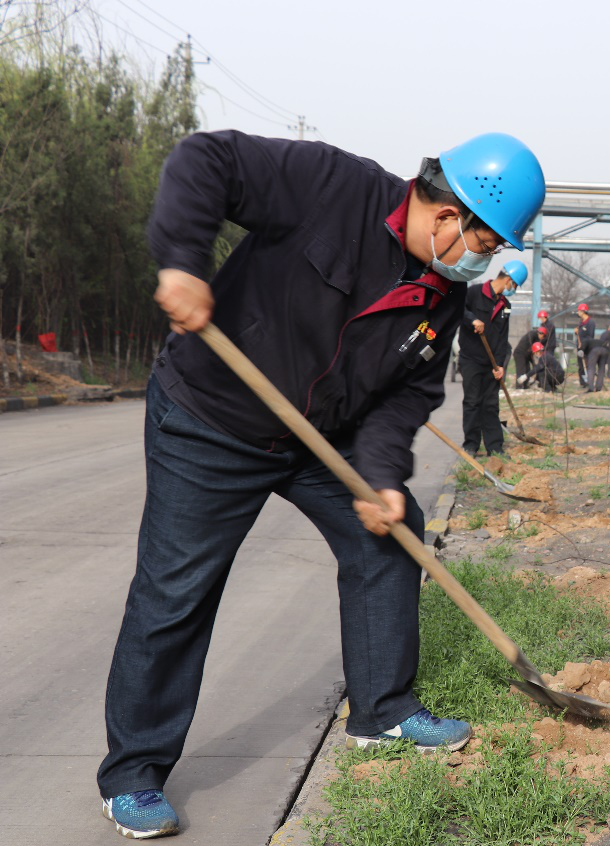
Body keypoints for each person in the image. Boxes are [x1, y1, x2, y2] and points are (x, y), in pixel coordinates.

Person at [99, 129, 545, 839]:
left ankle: (383, 711)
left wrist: (379, 479)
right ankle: (133, 772)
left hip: (318, 439)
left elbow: (402, 402)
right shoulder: (331, 186)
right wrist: (183, 263)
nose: (484, 259)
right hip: (209, 418)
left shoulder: (442, 303)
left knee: (391, 540)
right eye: (488, 244)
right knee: (176, 589)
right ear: (451, 215)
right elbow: (204, 158)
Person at [458, 260, 524, 455]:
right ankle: (471, 445)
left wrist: (501, 365)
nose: (514, 289)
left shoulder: (506, 305)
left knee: (490, 404)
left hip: (492, 364)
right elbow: (459, 310)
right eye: (515, 285)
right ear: (509, 280)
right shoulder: (474, 292)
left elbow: (503, 339)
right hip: (470, 358)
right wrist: (473, 320)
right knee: (472, 402)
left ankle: (494, 447)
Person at [512, 323, 544, 389]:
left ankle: (525, 386)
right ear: (539, 333)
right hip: (519, 353)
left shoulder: (538, 340)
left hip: (527, 355)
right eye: (542, 335)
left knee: (528, 369)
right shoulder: (532, 334)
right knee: (521, 370)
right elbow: (530, 341)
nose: (542, 338)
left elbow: (532, 352)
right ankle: (519, 386)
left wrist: (534, 364)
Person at [575, 303, 595, 387]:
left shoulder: (590, 323)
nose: (578, 313)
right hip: (580, 347)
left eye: (579, 311)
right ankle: (582, 382)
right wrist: (577, 332)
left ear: (583, 311)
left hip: (587, 348)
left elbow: (590, 336)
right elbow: (580, 334)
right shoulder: (581, 323)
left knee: (587, 365)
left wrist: (584, 346)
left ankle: (589, 381)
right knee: (581, 366)